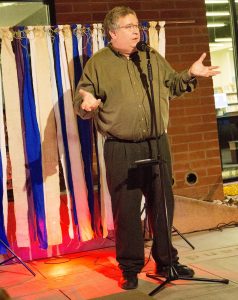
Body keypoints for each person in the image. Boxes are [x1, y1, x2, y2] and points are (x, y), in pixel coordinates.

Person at [74, 6, 220, 290]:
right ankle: (129, 268)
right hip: (121, 148)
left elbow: (173, 85)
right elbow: (83, 101)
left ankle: (167, 262)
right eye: (128, 27)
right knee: (126, 210)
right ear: (112, 33)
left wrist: (190, 73)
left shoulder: (150, 56)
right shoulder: (98, 64)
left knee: (163, 205)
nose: (135, 31)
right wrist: (86, 104)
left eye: (136, 26)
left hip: (157, 143)